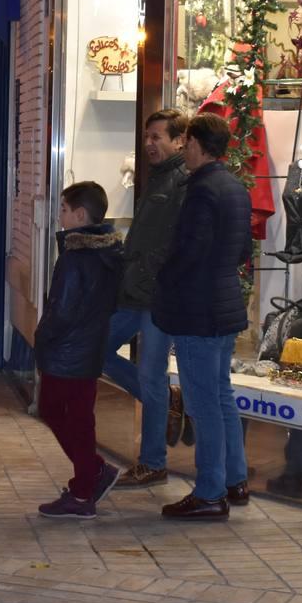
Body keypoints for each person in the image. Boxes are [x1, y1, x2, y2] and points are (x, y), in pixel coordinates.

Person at [152, 113, 251, 520]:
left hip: (198, 308)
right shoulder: (235, 188)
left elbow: (189, 250)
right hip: (225, 303)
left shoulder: (201, 189)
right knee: (221, 396)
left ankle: (210, 491)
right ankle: (235, 479)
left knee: (203, 402)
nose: (184, 149)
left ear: (195, 144)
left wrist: (165, 277)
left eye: (187, 141)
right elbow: (243, 251)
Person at [34, 182, 125, 520]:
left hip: (67, 351)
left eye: (63, 209)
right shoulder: (108, 252)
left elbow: (63, 309)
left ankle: (86, 486)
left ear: (80, 215)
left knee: (59, 412)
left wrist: (42, 337)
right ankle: (91, 475)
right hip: (88, 348)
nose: (59, 215)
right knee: (79, 417)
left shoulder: (76, 258)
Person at [108, 109, 189, 489]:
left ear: (179, 140)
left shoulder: (181, 181)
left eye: (157, 137)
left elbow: (175, 242)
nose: (149, 144)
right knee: (95, 347)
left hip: (157, 296)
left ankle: (153, 463)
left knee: (150, 375)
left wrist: (148, 269)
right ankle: (166, 399)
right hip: (132, 293)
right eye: (147, 137)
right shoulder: (156, 177)